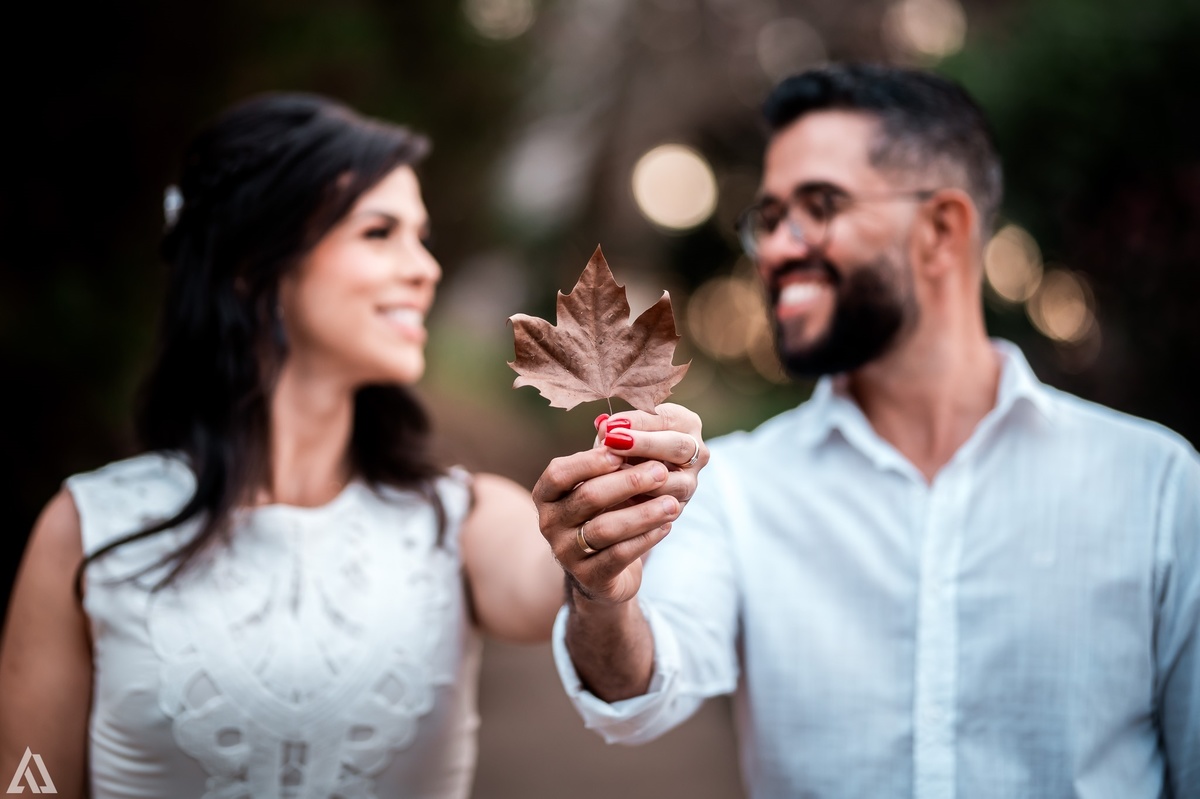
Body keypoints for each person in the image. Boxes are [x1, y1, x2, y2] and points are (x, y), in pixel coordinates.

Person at [0, 93, 706, 799]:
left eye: (421, 234)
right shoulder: (87, 533)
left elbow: (566, 593)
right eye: (379, 232)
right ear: (252, 261)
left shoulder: (460, 522)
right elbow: (26, 784)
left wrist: (597, 574)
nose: (424, 267)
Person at [535, 64, 1200, 798]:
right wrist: (603, 593)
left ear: (942, 230)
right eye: (769, 218)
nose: (778, 250)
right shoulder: (739, 485)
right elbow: (637, 689)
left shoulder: (1159, 486)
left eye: (819, 206)